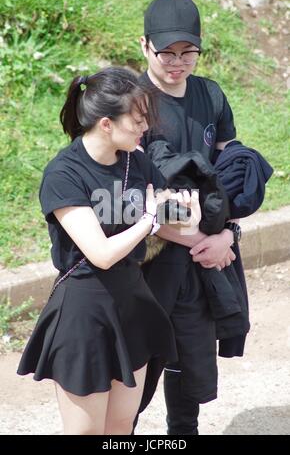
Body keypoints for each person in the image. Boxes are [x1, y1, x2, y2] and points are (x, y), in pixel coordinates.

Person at [17, 66, 204, 435]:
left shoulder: (137, 161)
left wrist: (188, 217)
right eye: (137, 120)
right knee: (86, 431)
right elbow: (100, 253)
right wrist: (148, 222)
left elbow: (165, 213)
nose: (144, 128)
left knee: (120, 426)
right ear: (106, 124)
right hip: (84, 310)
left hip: (132, 302)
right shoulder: (64, 173)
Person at [135, 0, 253, 435]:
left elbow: (230, 175)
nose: (177, 62)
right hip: (147, 255)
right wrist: (202, 239)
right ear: (144, 45)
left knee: (190, 360)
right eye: (167, 52)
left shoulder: (211, 95)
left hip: (202, 253)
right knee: (136, 367)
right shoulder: (132, 102)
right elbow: (131, 190)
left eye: (188, 53)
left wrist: (227, 235)